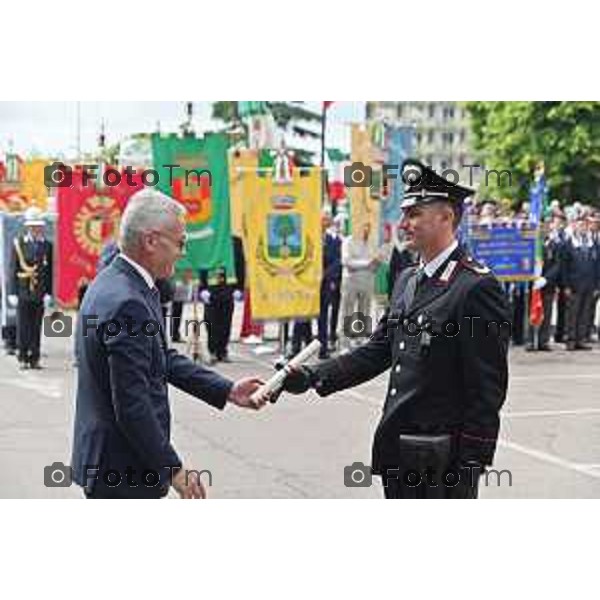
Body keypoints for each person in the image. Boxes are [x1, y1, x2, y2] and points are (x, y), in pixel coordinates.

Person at [274, 160, 511, 499]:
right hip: (400, 451)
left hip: (444, 461)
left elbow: (487, 389)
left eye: (414, 214)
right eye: (405, 214)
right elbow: (379, 350)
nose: (403, 223)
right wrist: (311, 375)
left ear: (446, 217)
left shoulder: (474, 287)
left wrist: (470, 464)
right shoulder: (408, 280)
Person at [71, 189, 268, 499]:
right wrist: (172, 468)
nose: (182, 251)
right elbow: (132, 405)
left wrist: (226, 389)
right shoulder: (128, 301)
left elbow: (160, 357)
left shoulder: (119, 282)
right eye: (180, 242)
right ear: (151, 241)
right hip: (123, 469)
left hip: (111, 460)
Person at [10, 207, 53, 369]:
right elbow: (12, 269)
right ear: (28, 227)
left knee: (36, 326)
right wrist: (13, 292)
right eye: (33, 226)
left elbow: (49, 272)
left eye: (38, 226)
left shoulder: (47, 245)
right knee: (23, 325)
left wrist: (49, 292)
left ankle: (34, 357)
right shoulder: (19, 243)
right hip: (23, 290)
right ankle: (22, 356)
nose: (36, 229)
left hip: (40, 291)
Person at [562, 215, 600, 350]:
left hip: (589, 284)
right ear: (575, 226)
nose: (582, 228)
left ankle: (581, 339)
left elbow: (597, 266)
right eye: (580, 225)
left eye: (584, 225)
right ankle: (570, 340)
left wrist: (597, 285)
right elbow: (564, 267)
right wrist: (566, 285)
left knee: (585, 313)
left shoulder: (593, 243)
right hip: (574, 284)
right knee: (573, 313)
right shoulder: (569, 243)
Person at [317, 213, 343, 358]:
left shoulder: (333, 240)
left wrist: (326, 275)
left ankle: (323, 347)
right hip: (309, 284)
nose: (325, 221)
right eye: (323, 218)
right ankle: (297, 347)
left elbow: (336, 261)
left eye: (327, 219)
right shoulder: (310, 237)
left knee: (323, 316)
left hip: (326, 283)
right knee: (303, 320)